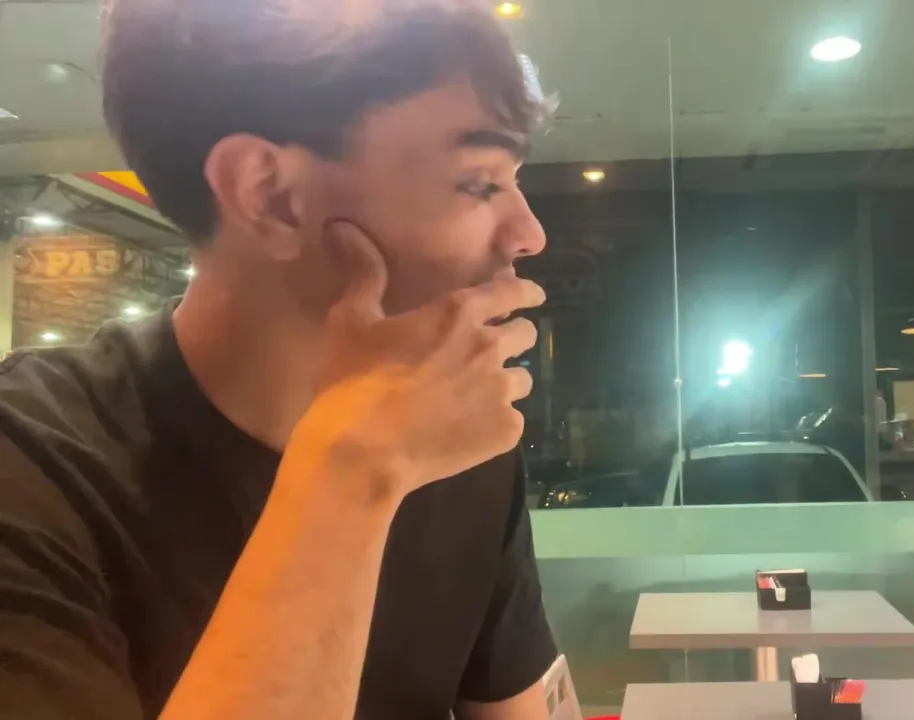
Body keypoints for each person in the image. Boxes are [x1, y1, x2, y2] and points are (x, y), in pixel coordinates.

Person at [0, 1, 558, 718]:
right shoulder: (30, 468)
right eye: (480, 182)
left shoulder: (460, 442)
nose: (529, 233)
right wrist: (354, 472)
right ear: (271, 195)